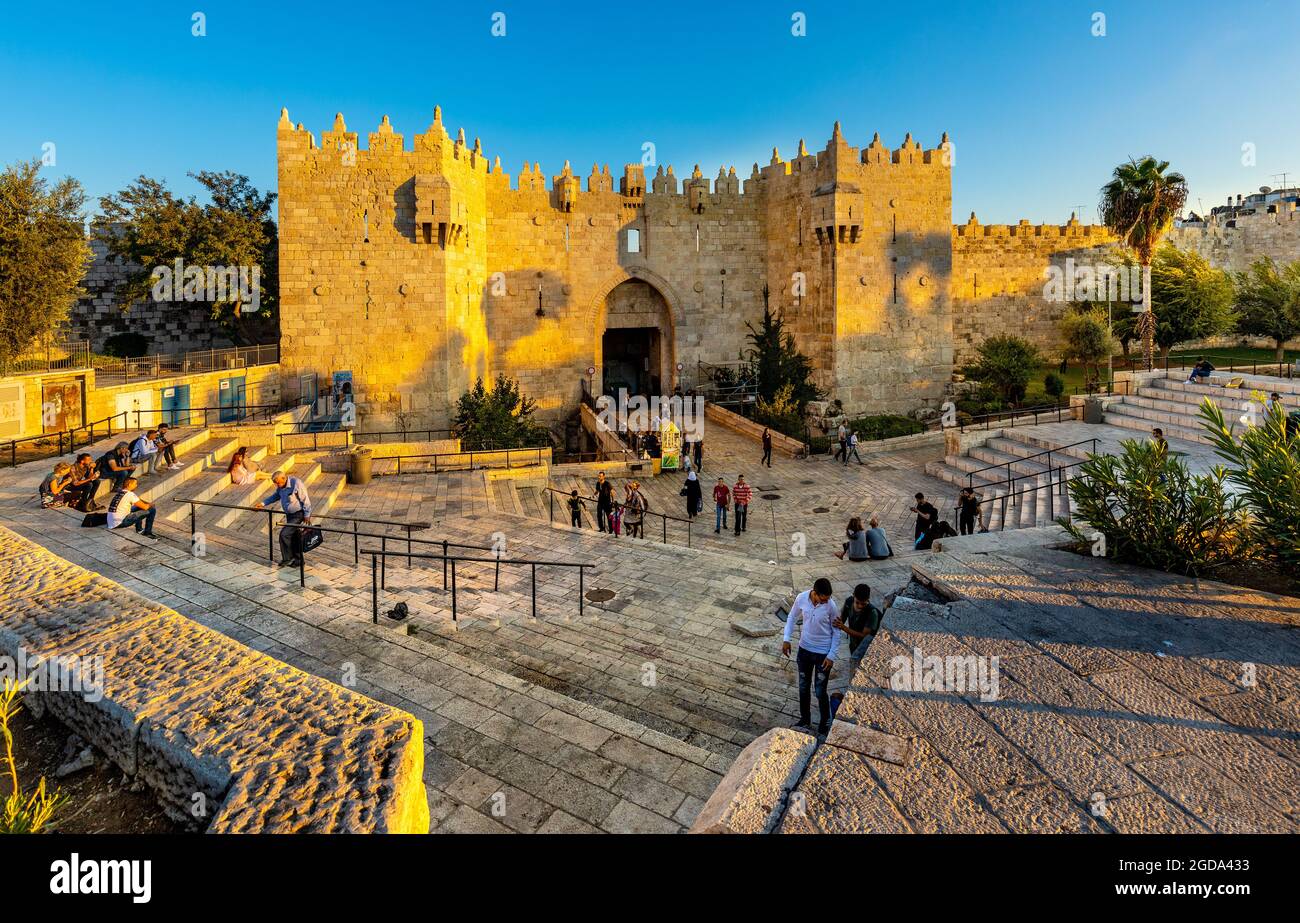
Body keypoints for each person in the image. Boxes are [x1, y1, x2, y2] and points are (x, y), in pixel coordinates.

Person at [781, 577, 841, 736]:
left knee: (820, 690)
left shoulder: (831, 606)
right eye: (823, 599)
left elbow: (836, 631)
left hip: (823, 654)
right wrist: (786, 639)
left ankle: (824, 720)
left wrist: (831, 655)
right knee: (803, 687)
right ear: (815, 593)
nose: (825, 601)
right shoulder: (801, 598)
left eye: (827, 599)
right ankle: (805, 719)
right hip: (804, 650)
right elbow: (792, 617)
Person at [255, 471, 313, 567]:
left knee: (284, 534)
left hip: (298, 514)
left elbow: (305, 499)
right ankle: (299, 560)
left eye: (278, 482)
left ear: (284, 478)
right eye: (275, 483)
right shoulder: (280, 487)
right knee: (294, 537)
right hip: (289, 515)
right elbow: (275, 496)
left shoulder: (296, 483)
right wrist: (262, 504)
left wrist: (307, 514)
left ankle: (287, 558)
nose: (277, 485)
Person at [834, 583, 883, 662]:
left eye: (863, 604)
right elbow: (841, 619)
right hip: (853, 643)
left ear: (868, 599)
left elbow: (864, 636)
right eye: (857, 602)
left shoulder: (872, 613)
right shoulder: (849, 602)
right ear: (853, 596)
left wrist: (843, 628)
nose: (860, 606)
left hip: (867, 648)